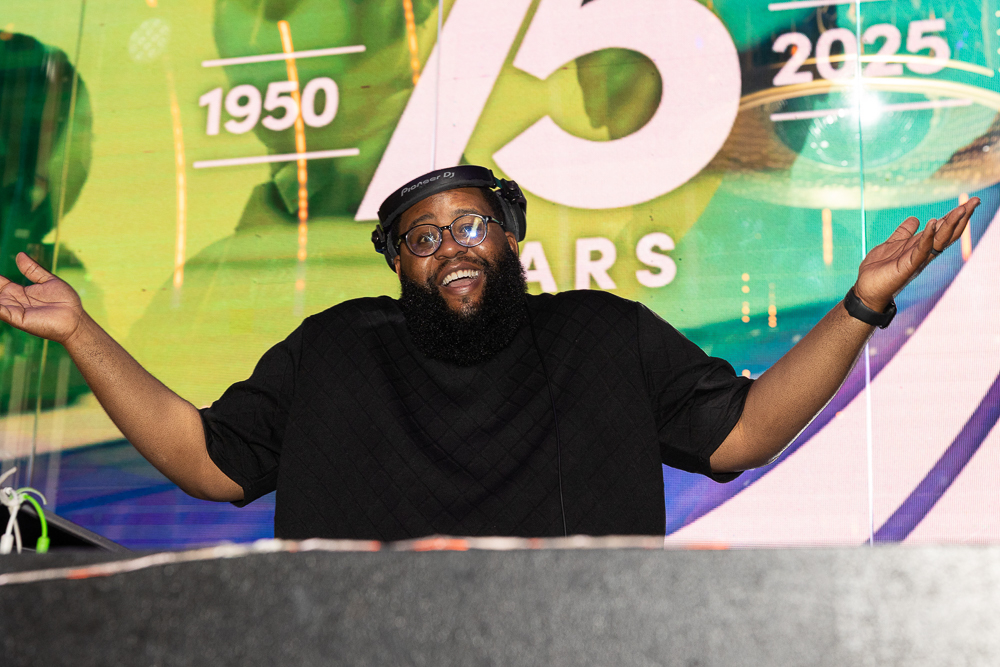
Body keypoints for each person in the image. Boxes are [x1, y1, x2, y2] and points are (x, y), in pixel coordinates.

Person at [0, 166, 979, 540]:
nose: (451, 247)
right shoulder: (335, 348)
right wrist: (82, 331)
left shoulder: (602, 333)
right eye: (422, 237)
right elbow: (209, 462)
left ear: (510, 238)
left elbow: (745, 432)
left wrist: (860, 305)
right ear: (397, 264)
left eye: (471, 224)